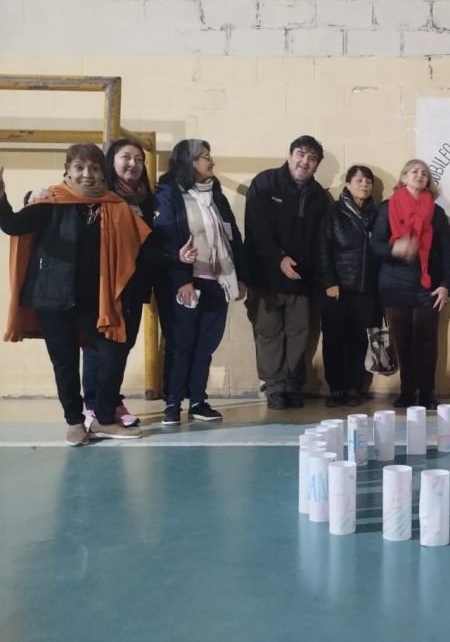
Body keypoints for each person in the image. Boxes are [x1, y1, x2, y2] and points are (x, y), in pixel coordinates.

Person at [0, 144, 150, 444]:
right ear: (67, 169)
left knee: (112, 356)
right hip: (54, 298)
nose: (87, 175)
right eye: (80, 168)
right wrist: (2, 195)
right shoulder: (50, 201)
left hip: (101, 301)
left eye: (94, 168)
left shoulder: (115, 205)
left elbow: (140, 246)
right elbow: (12, 224)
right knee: (65, 362)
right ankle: (74, 421)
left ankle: (104, 419)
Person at [153, 139, 246, 425]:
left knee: (205, 345)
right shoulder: (168, 192)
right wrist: (182, 279)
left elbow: (232, 236)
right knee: (182, 344)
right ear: (189, 162)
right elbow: (166, 237)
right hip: (185, 282)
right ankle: (172, 404)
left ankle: (198, 401)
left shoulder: (215, 193)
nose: (211, 162)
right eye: (205, 157)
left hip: (216, 280)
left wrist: (238, 276)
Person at [244, 136, 331, 410]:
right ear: (290, 154)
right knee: (268, 332)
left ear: (317, 165)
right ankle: (274, 387)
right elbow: (257, 229)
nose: (305, 161)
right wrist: (279, 258)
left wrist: (321, 278)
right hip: (266, 279)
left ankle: (293, 384)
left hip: (302, 282)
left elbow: (322, 241)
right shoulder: (265, 183)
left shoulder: (320, 196)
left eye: (312, 158)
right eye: (301, 154)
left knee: (299, 333)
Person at [370, 159, 450, 411]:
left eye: (424, 173)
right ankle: (407, 392)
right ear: (404, 177)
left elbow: (448, 252)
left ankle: (427, 393)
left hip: (427, 286)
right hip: (395, 285)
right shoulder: (387, 207)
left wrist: (446, 284)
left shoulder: (436, 212)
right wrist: (396, 248)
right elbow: (375, 246)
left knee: (427, 342)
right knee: (402, 342)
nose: (420, 175)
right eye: (414, 171)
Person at [317, 165, 379, 408]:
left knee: (358, 340)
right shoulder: (333, 212)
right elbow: (323, 249)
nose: (364, 185)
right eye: (359, 180)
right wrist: (330, 281)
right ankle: (336, 389)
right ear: (347, 184)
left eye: (368, 181)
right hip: (337, 289)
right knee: (333, 340)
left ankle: (354, 388)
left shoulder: (376, 213)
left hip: (365, 289)